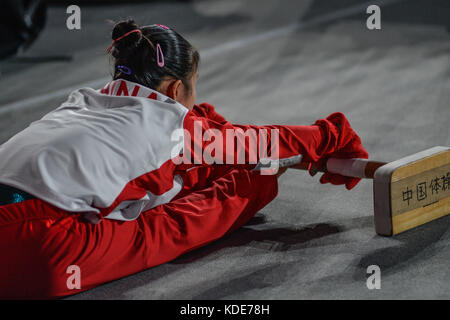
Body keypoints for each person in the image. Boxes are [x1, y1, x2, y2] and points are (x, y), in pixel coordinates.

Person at [0, 20, 368, 299]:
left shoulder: (84, 100)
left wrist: (214, 131)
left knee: (156, 178)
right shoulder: (170, 126)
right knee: (165, 229)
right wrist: (332, 135)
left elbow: (206, 145)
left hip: (27, 212)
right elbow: (263, 143)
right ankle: (253, 184)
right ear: (176, 89)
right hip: (36, 243)